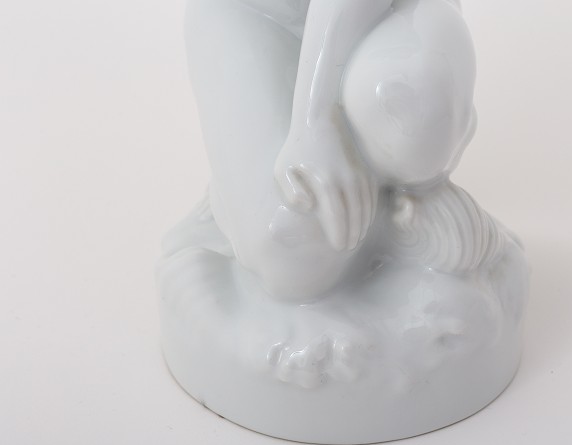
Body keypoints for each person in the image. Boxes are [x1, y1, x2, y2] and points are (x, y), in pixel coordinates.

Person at [181, 0, 492, 300]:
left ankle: (400, 188)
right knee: (288, 254)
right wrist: (315, 124)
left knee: (416, 119)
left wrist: (316, 117)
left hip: (395, 10)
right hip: (256, 11)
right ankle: (240, 191)